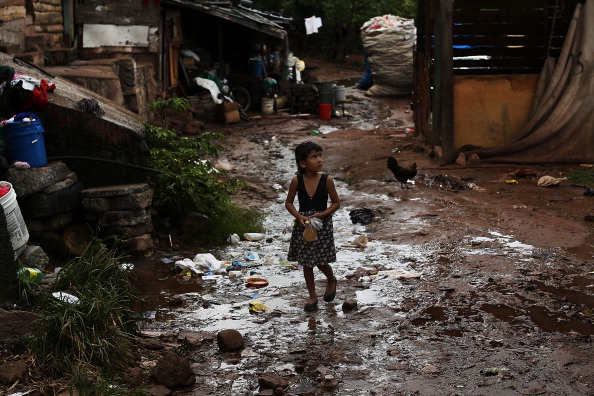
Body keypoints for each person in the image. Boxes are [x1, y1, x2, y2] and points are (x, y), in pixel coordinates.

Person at [285, 141, 340, 311]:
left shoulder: (326, 180)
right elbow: (288, 203)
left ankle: (331, 279)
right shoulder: (296, 181)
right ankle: (312, 296)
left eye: (320, 156)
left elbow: (336, 203)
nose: (319, 160)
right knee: (307, 262)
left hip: (322, 224)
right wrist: (299, 216)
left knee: (321, 260)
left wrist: (321, 215)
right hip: (303, 225)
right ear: (303, 163)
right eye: (314, 157)